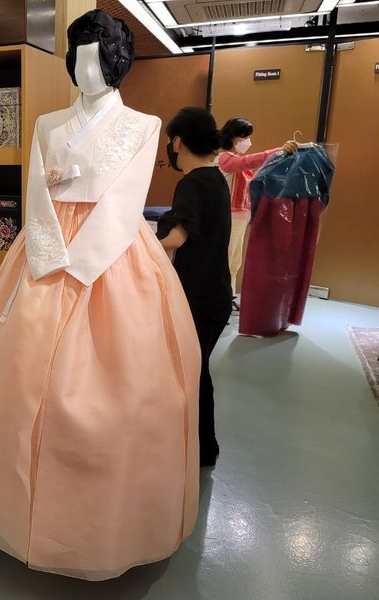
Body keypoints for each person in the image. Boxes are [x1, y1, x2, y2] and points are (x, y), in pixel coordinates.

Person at [0, 11, 201, 581]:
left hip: (112, 257)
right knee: (13, 378)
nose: (86, 71)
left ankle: (95, 529)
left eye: (97, 59)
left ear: (116, 63)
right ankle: (15, 513)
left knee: (117, 394)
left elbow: (124, 203)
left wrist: (81, 264)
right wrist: (47, 252)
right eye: (78, 59)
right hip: (42, 251)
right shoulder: (48, 123)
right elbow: (35, 191)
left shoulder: (142, 124)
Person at [158, 107, 232, 467]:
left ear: (178, 142)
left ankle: (203, 448)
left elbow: (176, 237)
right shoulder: (215, 178)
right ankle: (201, 446)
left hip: (199, 296)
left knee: (194, 371)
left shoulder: (191, 183)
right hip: (215, 292)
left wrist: (135, 245)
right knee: (196, 369)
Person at [217, 117, 298, 311]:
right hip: (229, 216)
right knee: (226, 259)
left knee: (234, 261)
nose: (247, 141)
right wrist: (278, 151)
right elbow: (248, 161)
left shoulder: (239, 162)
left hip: (241, 217)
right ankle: (220, 299)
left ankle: (228, 296)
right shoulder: (224, 158)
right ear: (232, 136)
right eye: (244, 137)